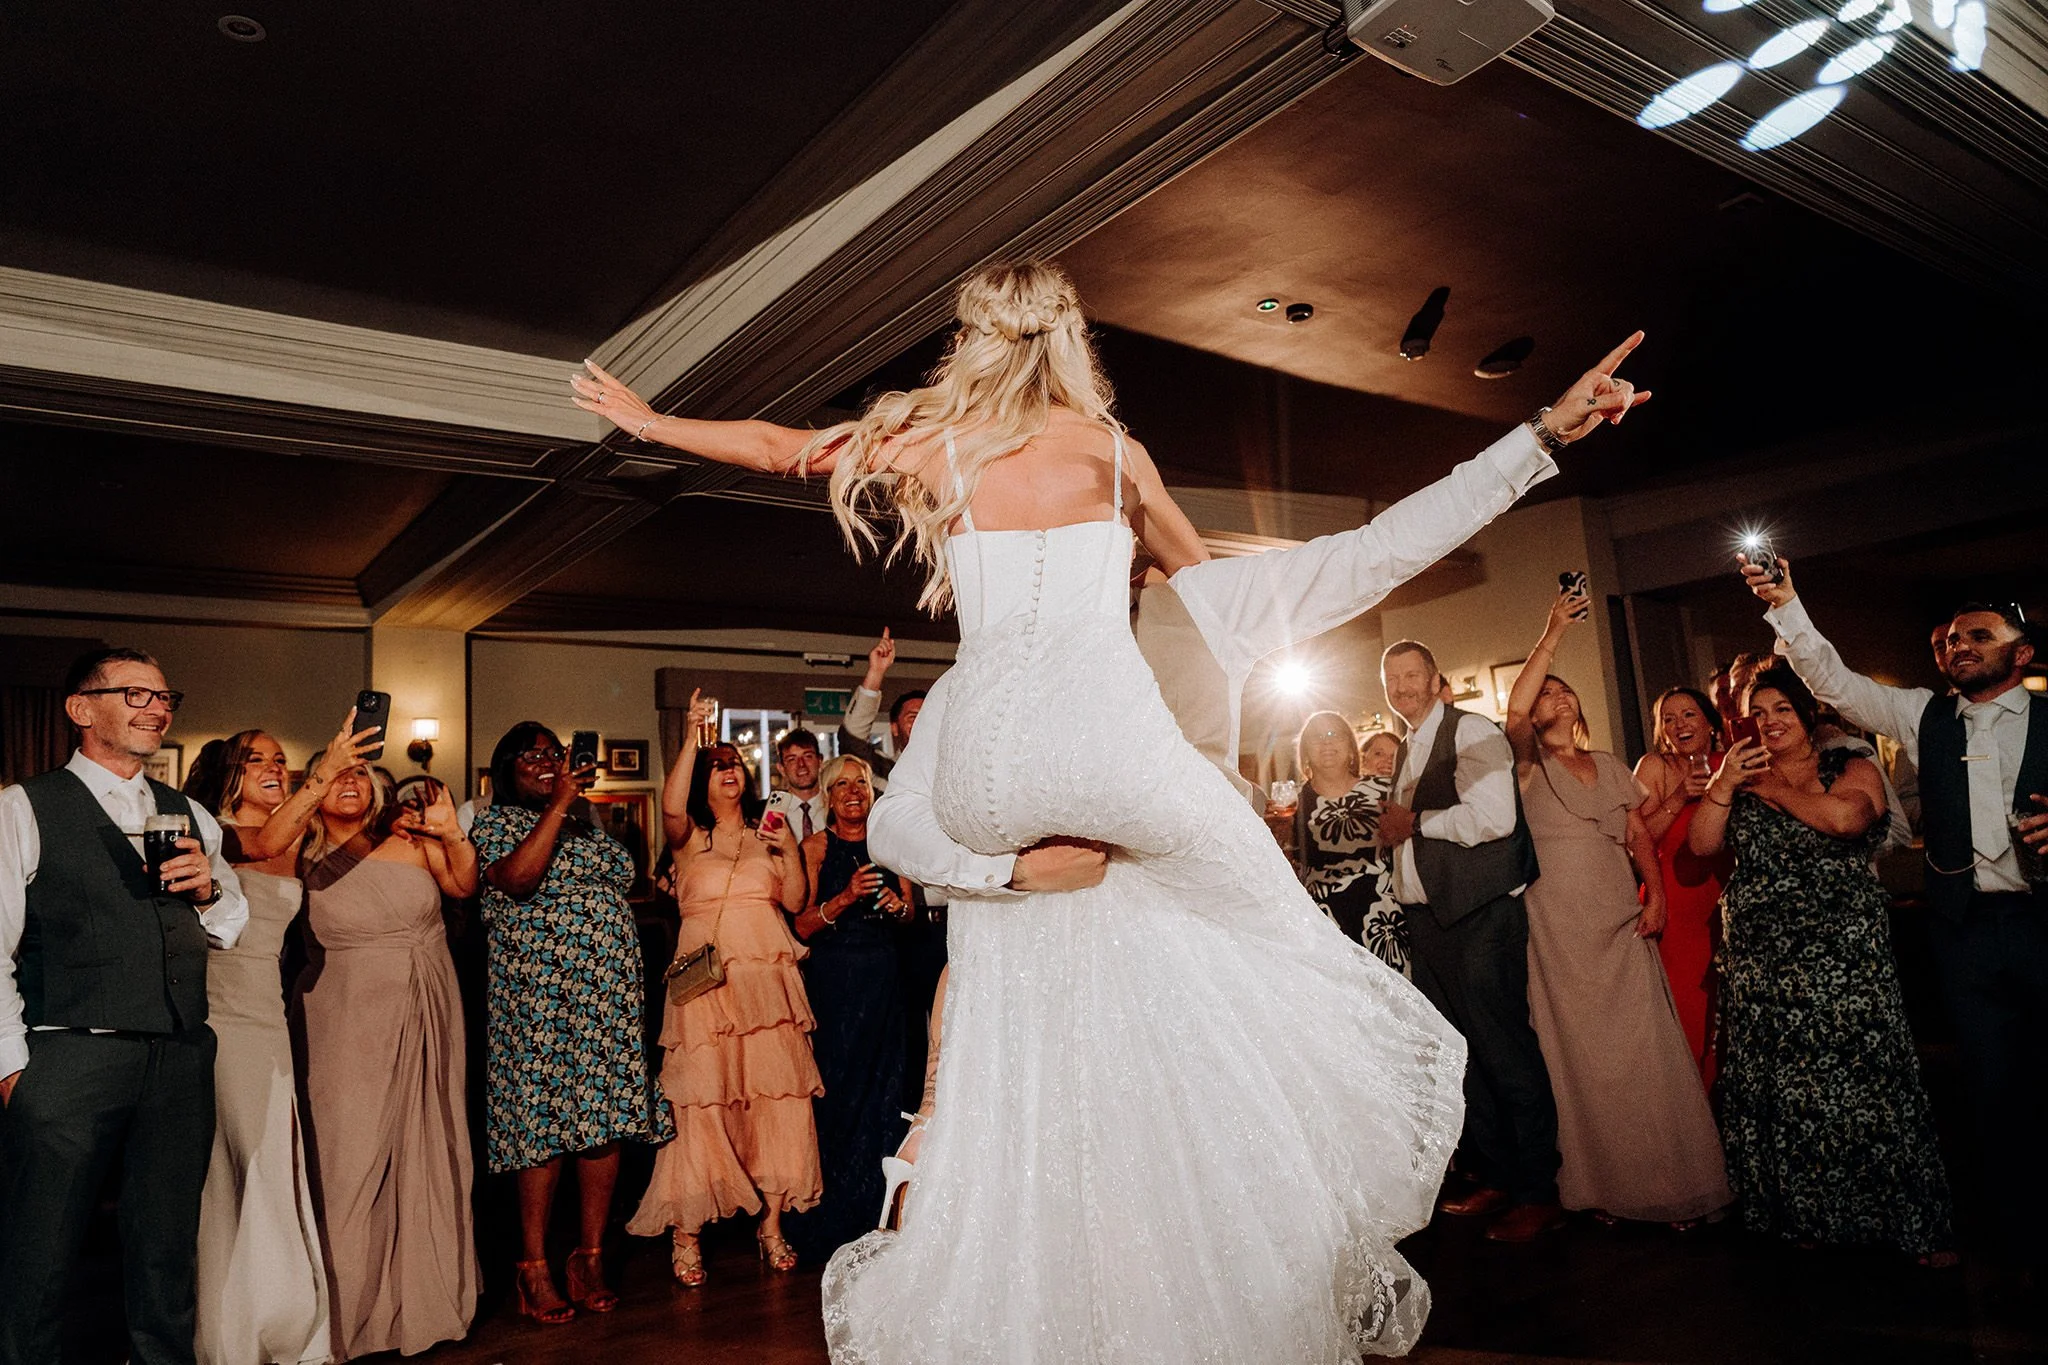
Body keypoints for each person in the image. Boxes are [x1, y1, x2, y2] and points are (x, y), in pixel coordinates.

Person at [573, 260, 1648, 1358]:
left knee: (1177, 996)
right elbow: (1350, 564)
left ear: (973, 343)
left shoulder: (943, 458)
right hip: (1097, 785)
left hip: (1021, 790)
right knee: (1264, 940)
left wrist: (653, 424)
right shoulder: (1113, 459)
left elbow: (780, 447)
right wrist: (1537, 440)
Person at [1745, 558, 2042, 1271]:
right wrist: (1786, 602)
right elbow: (1832, 682)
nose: (1959, 645)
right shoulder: (1922, 715)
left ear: (2022, 653)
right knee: (1991, 1088)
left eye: (1979, 635)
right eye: (1952, 638)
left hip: (2042, 922)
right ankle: (2024, 1242)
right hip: (1965, 929)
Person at [0, 648, 249, 1365]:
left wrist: (208, 890)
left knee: (166, 1248)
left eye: (164, 696)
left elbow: (230, 924)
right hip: (71, 1054)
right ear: (81, 709)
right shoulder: (23, 807)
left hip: (179, 1056)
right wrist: (14, 1069)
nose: (157, 707)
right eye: (136, 693)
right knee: (40, 1251)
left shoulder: (191, 813)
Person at [1689, 664, 1955, 1262]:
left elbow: (1845, 818)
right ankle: (1806, 1216)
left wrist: (1767, 789)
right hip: (1762, 957)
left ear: (1808, 714)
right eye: (1758, 714)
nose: (1769, 722)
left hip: (1842, 951)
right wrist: (1724, 786)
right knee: (1788, 1089)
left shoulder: (1848, 763)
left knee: (1864, 1080)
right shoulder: (1739, 775)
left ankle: (1906, 1223)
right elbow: (1702, 844)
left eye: (1782, 709)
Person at [247, 711, 482, 1358]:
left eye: (361, 772)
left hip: (430, 1004)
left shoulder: (410, 836)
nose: (350, 781)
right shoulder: (296, 851)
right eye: (337, 772)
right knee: (347, 1160)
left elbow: (464, 883)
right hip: (344, 1016)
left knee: (428, 1147)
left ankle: (423, 1305)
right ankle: (343, 1316)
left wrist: (452, 833)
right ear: (316, 784)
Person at [1504, 589, 1729, 1225]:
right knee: (1582, 1057)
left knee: (1646, 1050)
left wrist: (1654, 897)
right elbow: (1514, 710)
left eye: (1563, 690)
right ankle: (1603, 1187)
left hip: (1619, 917)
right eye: (1546, 693)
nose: (1556, 697)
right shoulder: (1526, 765)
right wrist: (1553, 630)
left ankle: (1671, 1183)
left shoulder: (1606, 763)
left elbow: (1638, 837)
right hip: (1558, 927)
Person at [469, 723, 674, 1324]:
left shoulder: (585, 823)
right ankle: (532, 1265)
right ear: (506, 768)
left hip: (607, 1000)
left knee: (604, 1123)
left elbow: (626, 878)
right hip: (538, 1002)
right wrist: (561, 803)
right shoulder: (495, 823)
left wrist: (572, 810)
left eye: (553, 753)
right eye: (531, 755)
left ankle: (589, 1256)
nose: (547, 761)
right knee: (541, 1126)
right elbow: (519, 880)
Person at [627, 695, 820, 1286]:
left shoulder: (768, 834)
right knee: (701, 1104)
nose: (728, 769)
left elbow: (795, 903)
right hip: (706, 987)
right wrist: (694, 735)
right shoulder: (689, 840)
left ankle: (771, 1225)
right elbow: (670, 805)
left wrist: (789, 851)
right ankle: (686, 1232)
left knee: (778, 1100)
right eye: (717, 766)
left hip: (767, 987)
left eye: (734, 762)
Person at [1378, 636, 1561, 1243]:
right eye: (1391, 679)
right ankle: (1499, 1177)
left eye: (1412, 675)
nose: (1402, 687)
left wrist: (1415, 822)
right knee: (1465, 1059)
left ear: (1437, 681)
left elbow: (1495, 818)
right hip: (1430, 922)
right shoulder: (1410, 745)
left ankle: (1539, 1192)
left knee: (1504, 1049)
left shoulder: (1471, 730)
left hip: (1479, 916)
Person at [194, 730, 331, 1365]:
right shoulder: (213, 834)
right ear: (230, 770)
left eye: (281, 760)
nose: (274, 768)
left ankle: (282, 1315)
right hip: (215, 1014)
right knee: (229, 1164)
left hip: (267, 1015)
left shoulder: (299, 838)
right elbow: (264, 843)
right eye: (258, 760)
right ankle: (229, 1328)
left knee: (273, 1158)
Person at [783, 755, 916, 1264]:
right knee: (838, 1094)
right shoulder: (815, 848)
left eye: (860, 783)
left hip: (885, 984)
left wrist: (896, 908)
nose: (853, 792)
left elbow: (909, 913)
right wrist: (843, 898)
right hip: (835, 987)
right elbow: (800, 926)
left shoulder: (890, 846)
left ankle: (878, 1216)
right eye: (841, 785)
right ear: (827, 797)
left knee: (886, 1093)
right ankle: (831, 1217)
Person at [1631, 688, 1733, 1086]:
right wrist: (1679, 796)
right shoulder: (1654, 766)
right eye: (1668, 719)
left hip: (1726, 897)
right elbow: (1637, 840)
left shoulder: (1730, 763)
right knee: (1690, 1015)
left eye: (1689, 715)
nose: (1679, 725)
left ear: (1709, 722)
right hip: (1676, 906)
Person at [1293, 712, 1408, 973]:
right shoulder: (1294, 805)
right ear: (1305, 751)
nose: (1326, 742)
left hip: (1384, 916)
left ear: (1351, 748)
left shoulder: (1385, 789)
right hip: (1326, 924)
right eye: (1317, 737)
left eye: (1334, 734)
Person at [840, 629, 924, 789]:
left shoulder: (955, 768)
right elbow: (851, 741)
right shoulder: (886, 771)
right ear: (894, 728)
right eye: (913, 717)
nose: (921, 723)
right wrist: (876, 672)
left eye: (927, 717)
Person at [766, 728, 830, 840]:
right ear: (781, 769)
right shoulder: (771, 811)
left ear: (820, 761)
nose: (801, 764)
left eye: (808, 756)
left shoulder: (835, 807)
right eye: (792, 759)